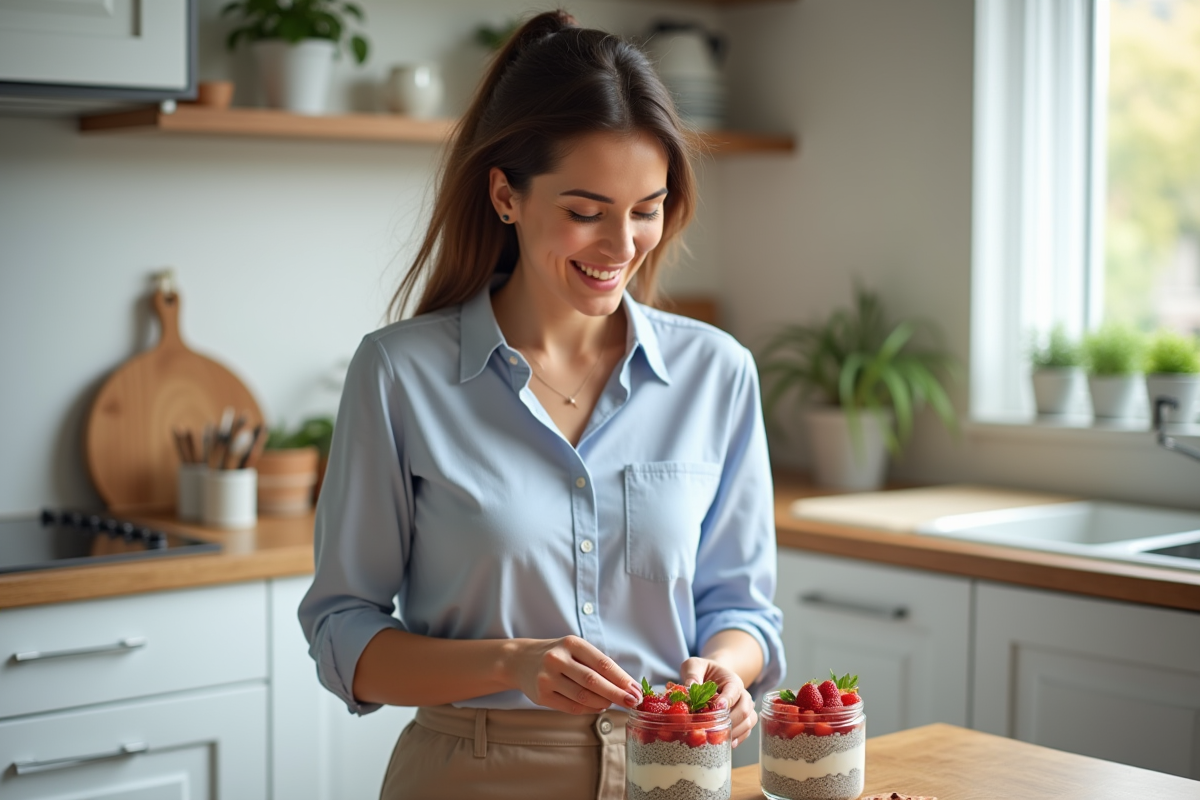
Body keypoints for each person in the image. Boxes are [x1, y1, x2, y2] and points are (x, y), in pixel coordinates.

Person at [298, 10, 784, 799]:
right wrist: (509, 663)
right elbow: (343, 631)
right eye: (586, 212)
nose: (622, 246)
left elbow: (744, 610)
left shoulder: (717, 373)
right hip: (473, 774)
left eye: (647, 208)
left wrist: (727, 674)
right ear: (505, 196)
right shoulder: (398, 375)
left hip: (677, 774)